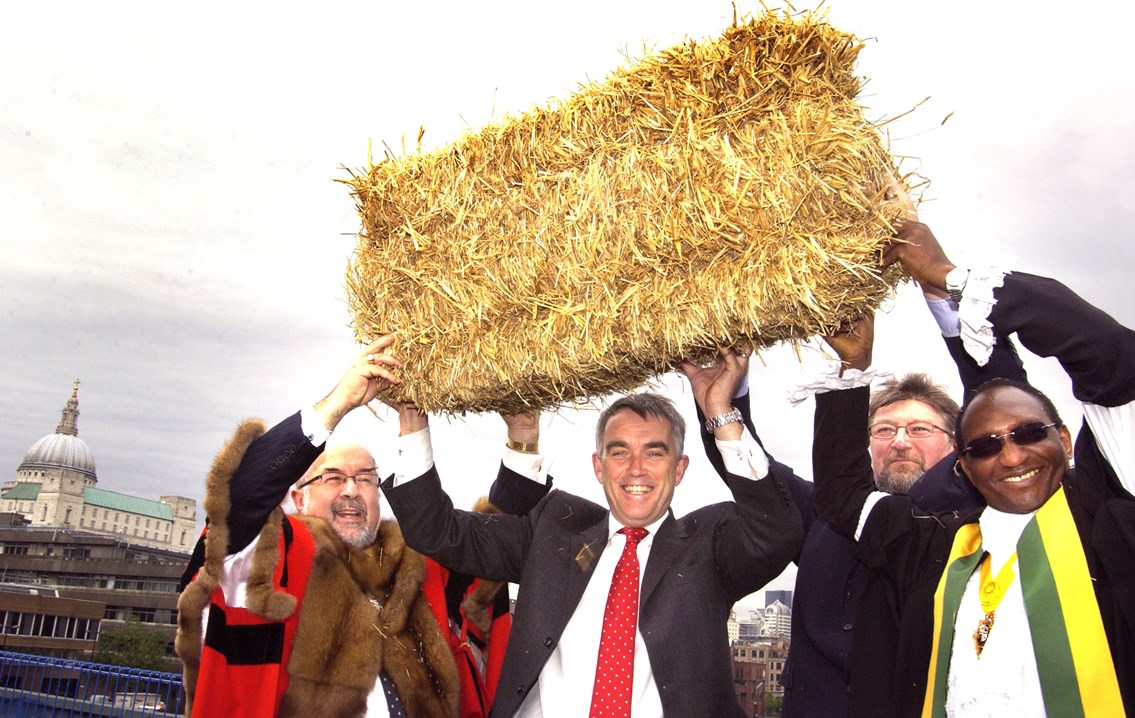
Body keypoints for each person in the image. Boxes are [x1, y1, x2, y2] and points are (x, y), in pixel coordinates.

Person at [691, 234, 1025, 717]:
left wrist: (945, 290)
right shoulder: (821, 513)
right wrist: (727, 391)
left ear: (957, 446)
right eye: (885, 429)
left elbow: (1007, 409)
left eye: (920, 428)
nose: (901, 441)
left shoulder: (982, 525)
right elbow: (745, 462)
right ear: (862, 445)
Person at [812, 221, 1135, 716]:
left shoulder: (1106, 519)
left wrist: (949, 279)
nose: (1010, 455)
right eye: (984, 446)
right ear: (963, 465)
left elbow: (1115, 360)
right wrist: (854, 365)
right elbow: (842, 494)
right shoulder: (934, 545)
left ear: (1064, 439)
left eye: (1029, 433)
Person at [379, 347, 804, 718]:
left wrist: (721, 414)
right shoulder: (554, 530)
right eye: (620, 453)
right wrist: (412, 421)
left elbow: (778, 532)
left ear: (679, 470)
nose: (636, 469)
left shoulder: (708, 545)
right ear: (598, 467)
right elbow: (435, 532)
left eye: (653, 453)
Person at [175, 335, 517, 718]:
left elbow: (488, 551)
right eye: (333, 478)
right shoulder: (273, 558)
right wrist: (338, 404)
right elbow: (234, 502)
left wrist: (522, 441)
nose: (352, 491)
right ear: (298, 497)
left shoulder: (414, 569)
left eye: (366, 479)